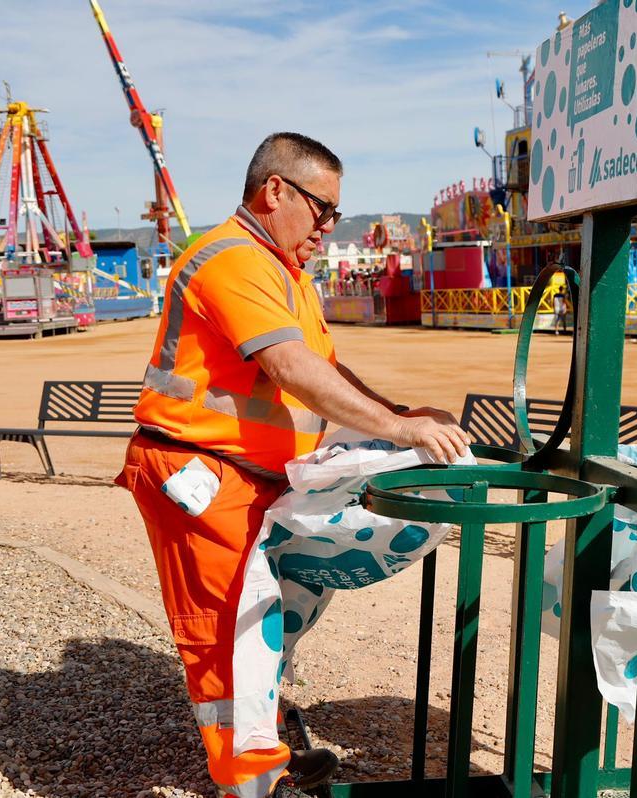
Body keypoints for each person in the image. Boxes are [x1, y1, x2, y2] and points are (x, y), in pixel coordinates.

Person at [115, 132, 470, 798]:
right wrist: (398, 427)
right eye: (323, 209)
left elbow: (325, 368)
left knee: (266, 617)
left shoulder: (283, 272)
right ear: (274, 190)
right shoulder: (232, 260)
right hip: (200, 471)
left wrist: (401, 410)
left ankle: (267, 739)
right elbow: (291, 369)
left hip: (248, 475)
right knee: (225, 628)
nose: (330, 226)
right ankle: (254, 781)